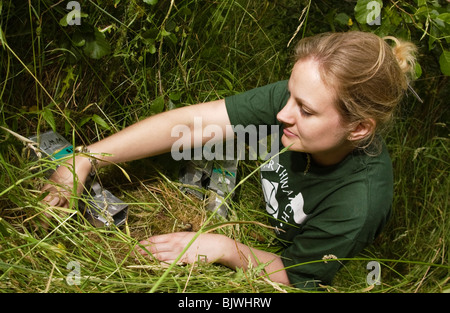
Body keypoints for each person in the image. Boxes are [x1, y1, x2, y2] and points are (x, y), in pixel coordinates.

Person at [42, 31, 418, 289]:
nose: (283, 113)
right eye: (288, 95)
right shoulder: (299, 101)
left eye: (304, 109)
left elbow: (295, 274)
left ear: (358, 129)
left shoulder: (359, 203)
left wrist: (224, 248)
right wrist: (85, 159)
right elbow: (188, 124)